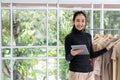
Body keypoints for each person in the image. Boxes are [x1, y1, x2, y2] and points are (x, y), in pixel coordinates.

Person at [64, 11, 115, 80]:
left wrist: (106, 48)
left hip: (89, 72)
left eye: (83, 21)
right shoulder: (69, 37)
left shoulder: (88, 36)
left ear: (85, 22)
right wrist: (72, 54)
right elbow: (67, 58)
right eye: (78, 21)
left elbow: (91, 55)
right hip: (76, 72)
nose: (80, 23)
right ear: (73, 21)